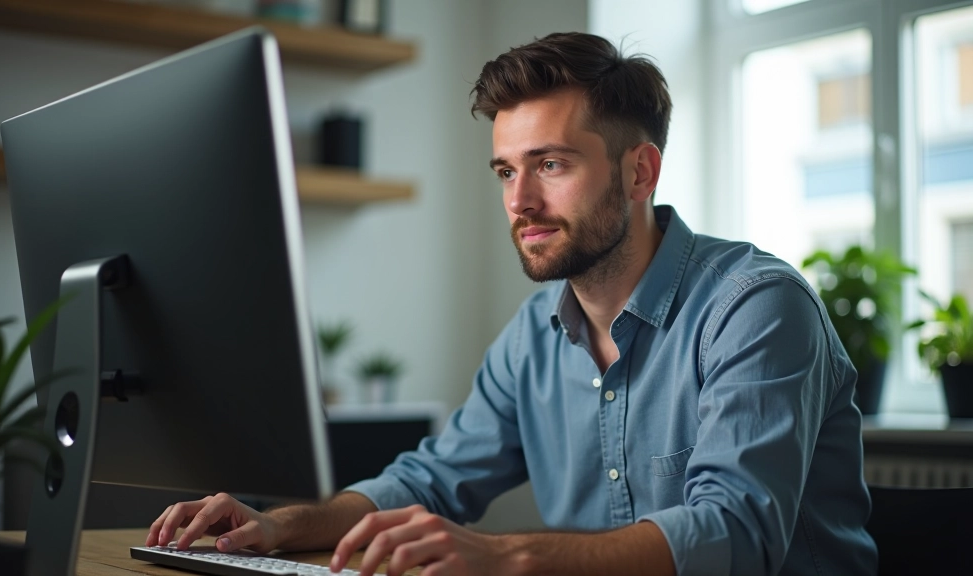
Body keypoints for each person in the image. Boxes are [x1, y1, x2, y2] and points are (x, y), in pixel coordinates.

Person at [145, 32, 878, 576]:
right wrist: (278, 528)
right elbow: (426, 481)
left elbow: (736, 535)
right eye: (505, 171)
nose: (520, 203)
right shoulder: (533, 337)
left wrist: (504, 556)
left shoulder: (755, 308)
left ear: (638, 172)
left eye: (551, 165)